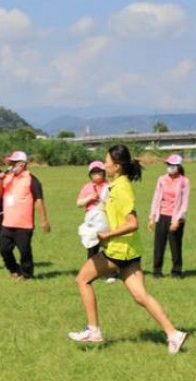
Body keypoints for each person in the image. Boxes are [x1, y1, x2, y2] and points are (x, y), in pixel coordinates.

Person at [67, 144, 189, 354]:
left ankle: (93, 330)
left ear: (117, 166)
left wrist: (106, 235)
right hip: (130, 250)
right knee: (141, 296)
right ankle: (173, 333)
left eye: (107, 161)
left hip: (119, 250)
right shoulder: (116, 186)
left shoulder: (121, 188)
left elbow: (132, 223)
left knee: (82, 279)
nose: (104, 164)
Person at [0, 150, 50, 279]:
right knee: (4, 249)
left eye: (14, 163)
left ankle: (27, 275)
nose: (11, 165)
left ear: (22, 164)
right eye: (10, 163)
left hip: (24, 224)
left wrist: (44, 220)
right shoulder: (7, 177)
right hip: (7, 222)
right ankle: (14, 269)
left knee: (24, 251)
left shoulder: (31, 179)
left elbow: (39, 200)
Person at [148, 154, 190, 279]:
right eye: (168, 165)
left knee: (175, 245)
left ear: (178, 166)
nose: (170, 167)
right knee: (159, 244)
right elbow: (156, 198)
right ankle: (157, 270)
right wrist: (152, 216)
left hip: (176, 217)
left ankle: (176, 271)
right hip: (162, 215)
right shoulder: (161, 179)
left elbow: (184, 202)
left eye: (172, 165)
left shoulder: (184, 181)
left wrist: (178, 219)